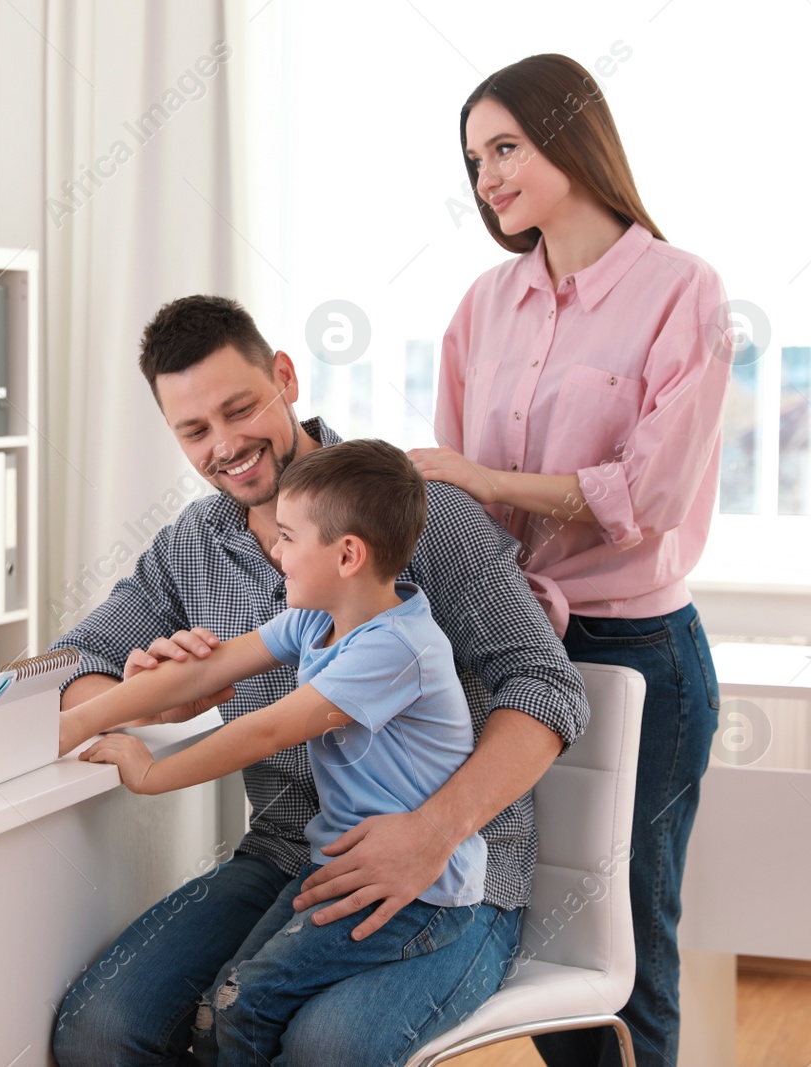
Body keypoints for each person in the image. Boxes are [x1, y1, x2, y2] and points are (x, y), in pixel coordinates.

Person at [49, 294, 590, 1066]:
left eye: (240, 408)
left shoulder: (415, 513)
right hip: (287, 853)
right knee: (101, 1030)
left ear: (285, 376)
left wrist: (431, 831)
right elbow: (73, 669)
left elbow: (546, 686)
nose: (227, 445)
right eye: (194, 430)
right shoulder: (190, 547)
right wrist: (150, 691)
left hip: (444, 874)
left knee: (322, 1046)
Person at [410, 54, 731, 1067]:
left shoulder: (682, 290)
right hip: (513, 647)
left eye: (505, 146)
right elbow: (457, 493)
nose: (487, 177)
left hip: (639, 650)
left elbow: (645, 497)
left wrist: (483, 479)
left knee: (633, 926)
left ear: (571, 134)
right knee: (547, 925)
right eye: (473, 161)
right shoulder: (483, 305)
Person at [59, 439, 489, 1064]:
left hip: (412, 894)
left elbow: (263, 730)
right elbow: (201, 673)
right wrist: (80, 721)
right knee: (220, 1007)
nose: (275, 552)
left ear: (347, 555)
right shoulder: (320, 619)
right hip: (334, 867)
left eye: (287, 537)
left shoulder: (395, 649)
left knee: (243, 1005)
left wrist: (151, 774)